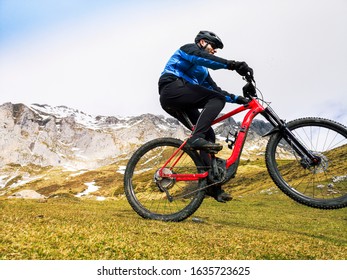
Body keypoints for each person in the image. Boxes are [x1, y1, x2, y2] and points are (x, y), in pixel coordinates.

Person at [158, 30, 253, 202]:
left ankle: (211, 186)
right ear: (202, 42)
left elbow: (216, 91)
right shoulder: (188, 50)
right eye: (213, 46)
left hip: (183, 98)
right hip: (171, 89)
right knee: (213, 105)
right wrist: (233, 65)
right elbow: (206, 59)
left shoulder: (202, 72)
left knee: (208, 135)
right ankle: (196, 138)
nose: (215, 50)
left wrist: (239, 99)